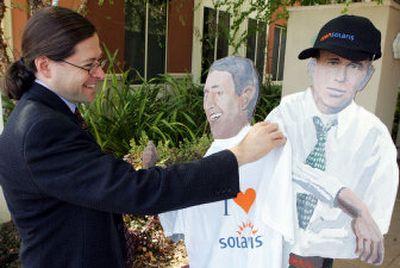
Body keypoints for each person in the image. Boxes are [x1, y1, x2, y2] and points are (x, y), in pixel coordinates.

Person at [0, 7, 286, 267]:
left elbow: (97, 185)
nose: (100, 73)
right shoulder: (41, 128)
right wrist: (239, 156)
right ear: (45, 65)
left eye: (99, 61)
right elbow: (137, 191)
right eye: (88, 65)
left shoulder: (49, 113)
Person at [266, 15, 399, 267]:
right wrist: (345, 197)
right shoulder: (285, 114)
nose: (340, 77)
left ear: (367, 75)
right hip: (270, 242)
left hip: (318, 256)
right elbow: (272, 166)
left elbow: (375, 219)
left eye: (355, 66)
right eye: (333, 62)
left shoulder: (375, 139)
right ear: (313, 67)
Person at [158, 56, 295, 268]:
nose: (208, 104)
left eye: (218, 93)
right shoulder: (213, 154)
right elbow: (183, 219)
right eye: (206, 94)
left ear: (245, 96)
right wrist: (154, 171)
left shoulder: (275, 150)